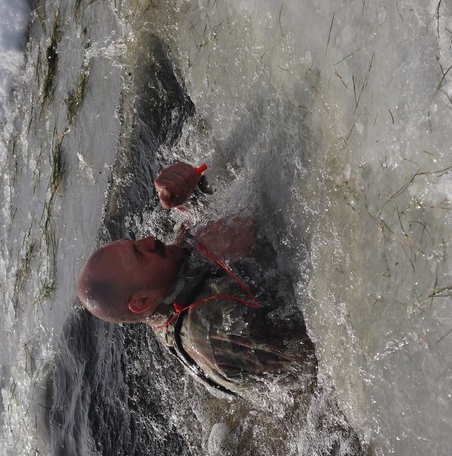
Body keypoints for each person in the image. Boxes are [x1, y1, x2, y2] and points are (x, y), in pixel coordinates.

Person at [77, 162, 314, 395]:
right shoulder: (216, 323)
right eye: (139, 255)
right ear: (142, 301)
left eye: (134, 243)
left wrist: (191, 193)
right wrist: (247, 248)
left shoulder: (167, 286)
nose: (149, 240)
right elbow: (316, 340)